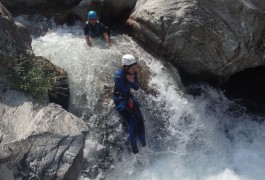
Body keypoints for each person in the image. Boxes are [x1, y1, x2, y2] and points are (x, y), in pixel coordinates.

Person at [113, 54, 146, 154]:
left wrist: (132, 80)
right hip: (119, 99)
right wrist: (129, 81)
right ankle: (134, 148)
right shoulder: (118, 75)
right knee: (132, 121)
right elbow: (122, 90)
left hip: (128, 97)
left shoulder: (133, 72)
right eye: (132, 68)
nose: (134, 69)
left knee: (139, 118)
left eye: (135, 67)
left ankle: (143, 142)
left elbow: (136, 87)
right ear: (126, 67)